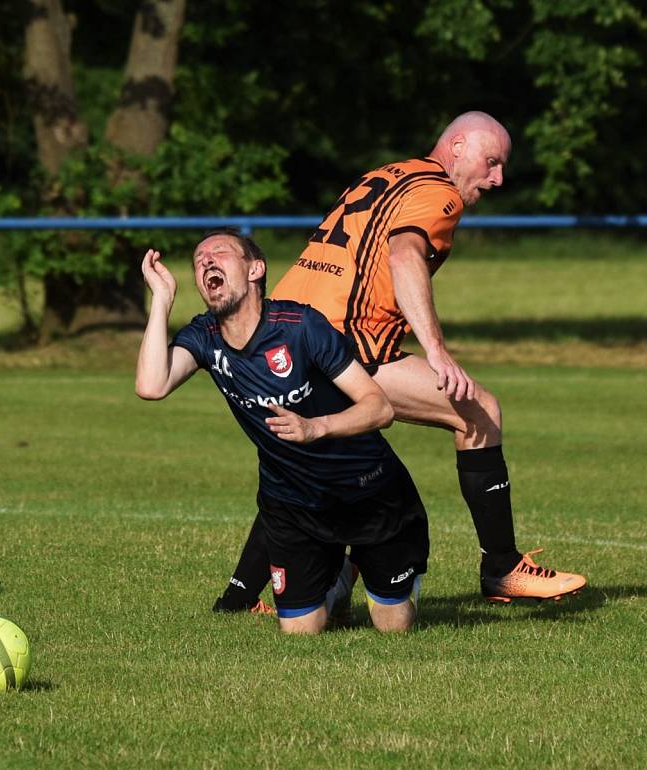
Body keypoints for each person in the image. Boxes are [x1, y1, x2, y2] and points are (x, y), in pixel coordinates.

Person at [214, 111, 586, 612]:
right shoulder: (441, 192)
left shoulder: (390, 174)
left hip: (280, 337)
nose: (498, 178)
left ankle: (239, 601)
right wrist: (436, 351)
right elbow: (405, 255)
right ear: (456, 147)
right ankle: (501, 567)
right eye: (491, 161)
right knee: (478, 412)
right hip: (341, 344)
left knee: (314, 464)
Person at [135, 229, 430, 633]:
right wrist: (162, 300)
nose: (206, 262)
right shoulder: (203, 337)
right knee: (300, 634)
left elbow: (379, 408)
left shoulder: (300, 326)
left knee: (393, 628)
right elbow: (151, 386)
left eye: (219, 253)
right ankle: (339, 577)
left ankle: (363, 568)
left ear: (255, 269)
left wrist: (315, 428)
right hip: (292, 503)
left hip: (368, 491)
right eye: (199, 260)